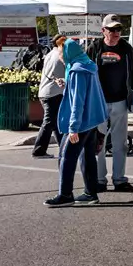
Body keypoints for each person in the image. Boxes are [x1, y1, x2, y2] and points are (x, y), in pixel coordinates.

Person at [86, 16, 133, 192]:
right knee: (99, 143)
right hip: (98, 103)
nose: (116, 33)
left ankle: (119, 179)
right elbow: (84, 74)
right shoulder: (94, 48)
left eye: (118, 29)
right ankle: (99, 180)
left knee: (121, 143)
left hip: (120, 101)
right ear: (103, 30)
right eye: (112, 30)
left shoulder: (127, 49)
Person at [46, 40, 108, 206]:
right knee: (87, 157)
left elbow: (77, 102)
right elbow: (85, 93)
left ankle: (65, 195)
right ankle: (90, 193)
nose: (59, 55)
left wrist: (73, 128)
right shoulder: (87, 66)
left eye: (60, 52)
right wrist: (66, 85)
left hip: (80, 122)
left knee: (66, 156)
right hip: (91, 120)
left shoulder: (77, 71)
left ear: (68, 53)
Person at [32, 35, 67, 158]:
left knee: (56, 122)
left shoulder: (50, 54)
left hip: (45, 91)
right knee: (49, 122)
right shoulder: (60, 57)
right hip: (54, 93)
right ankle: (39, 150)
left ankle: (63, 148)